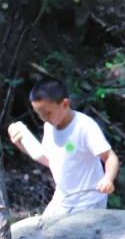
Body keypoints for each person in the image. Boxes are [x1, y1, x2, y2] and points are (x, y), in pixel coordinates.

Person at [8, 78, 119, 218]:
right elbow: (50, 160)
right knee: (43, 231)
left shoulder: (85, 127)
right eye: (38, 114)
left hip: (89, 200)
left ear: (65, 104)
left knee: (77, 238)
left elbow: (110, 157)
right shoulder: (50, 126)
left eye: (47, 113)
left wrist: (108, 179)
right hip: (63, 198)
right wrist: (21, 143)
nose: (43, 118)